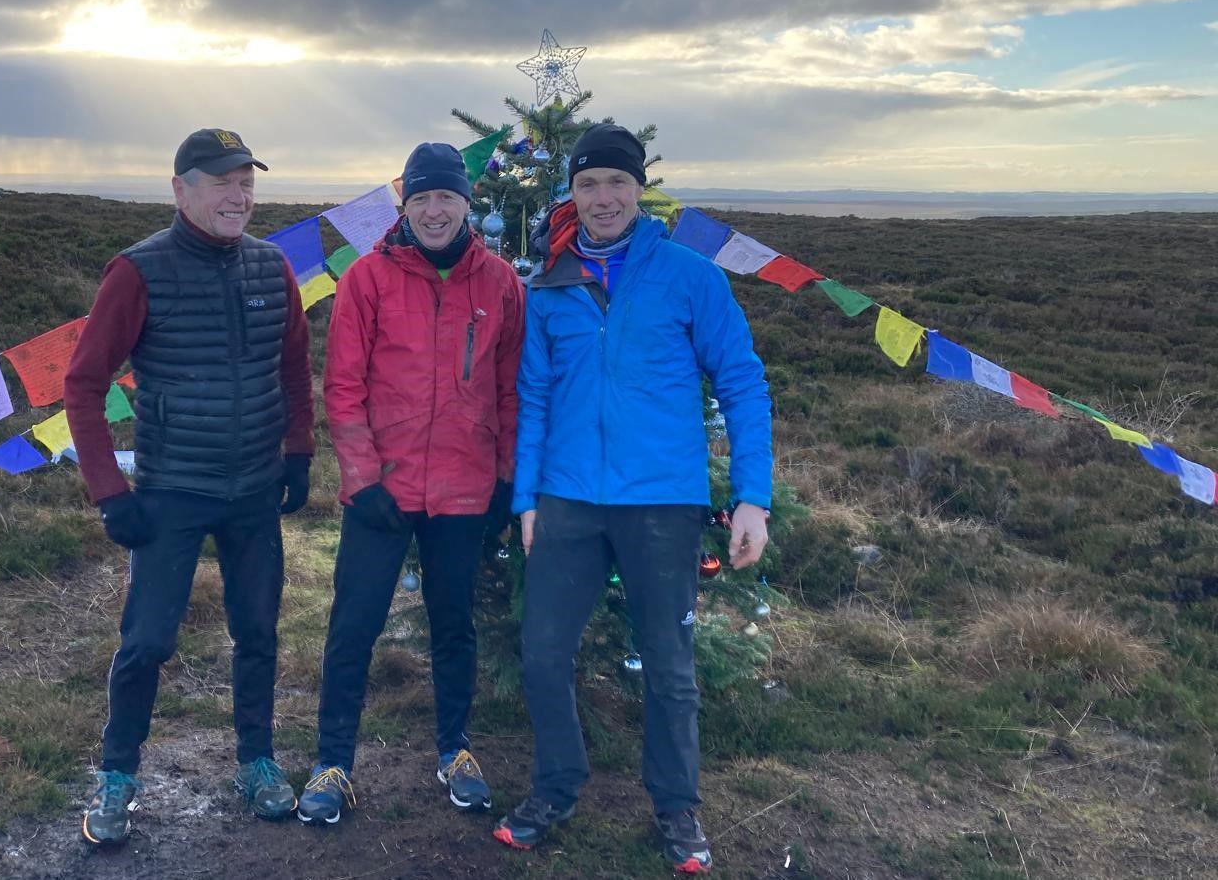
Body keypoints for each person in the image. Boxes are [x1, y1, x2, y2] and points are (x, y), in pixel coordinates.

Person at [492, 123, 773, 875]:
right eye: (589, 184)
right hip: (567, 500)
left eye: (618, 182)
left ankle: (677, 808)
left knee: (670, 665)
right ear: (573, 193)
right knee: (544, 654)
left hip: (663, 504)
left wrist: (754, 497)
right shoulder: (549, 286)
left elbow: (742, 382)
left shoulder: (691, 277)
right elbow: (534, 398)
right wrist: (527, 498)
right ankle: (557, 785)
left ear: (639, 187)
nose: (604, 197)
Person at [63, 128, 316, 845]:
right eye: (221, 183)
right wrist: (110, 492)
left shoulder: (272, 267)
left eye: (246, 184)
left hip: (254, 487)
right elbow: (83, 384)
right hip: (172, 488)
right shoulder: (137, 272)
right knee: (146, 642)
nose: (238, 196)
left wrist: (297, 452)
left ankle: (257, 762)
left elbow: (294, 367)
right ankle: (117, 777)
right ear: (181, 190)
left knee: (260, 631)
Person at [297, 142, 525, 825]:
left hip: (464, 490)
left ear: (466, 204)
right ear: (404, 206)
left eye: (446, 197)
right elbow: (343, 387)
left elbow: (512, 388)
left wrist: (507, 480)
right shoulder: (367, 279)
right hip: (382, 494)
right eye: (421, 198)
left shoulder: (501, 284)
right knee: (353, 626)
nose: (434, 210)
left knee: (454, 624)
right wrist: (362, 479)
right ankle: (332, 760)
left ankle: (455, 749)